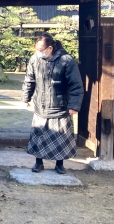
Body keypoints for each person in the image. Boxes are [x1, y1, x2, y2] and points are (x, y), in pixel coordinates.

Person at [21, 33, 84, 174]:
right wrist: (26, 97)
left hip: (60, 105)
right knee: (39, 134)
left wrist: (74, 105)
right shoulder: (34, 59)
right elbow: (29, 80)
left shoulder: (66, 60)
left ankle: (59, 164)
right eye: (37, 48)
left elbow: (76, 85)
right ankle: (38, 163)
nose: (39, 52)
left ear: (50, 48)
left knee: (60, 136)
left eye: (41, 49)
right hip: (41, 105)